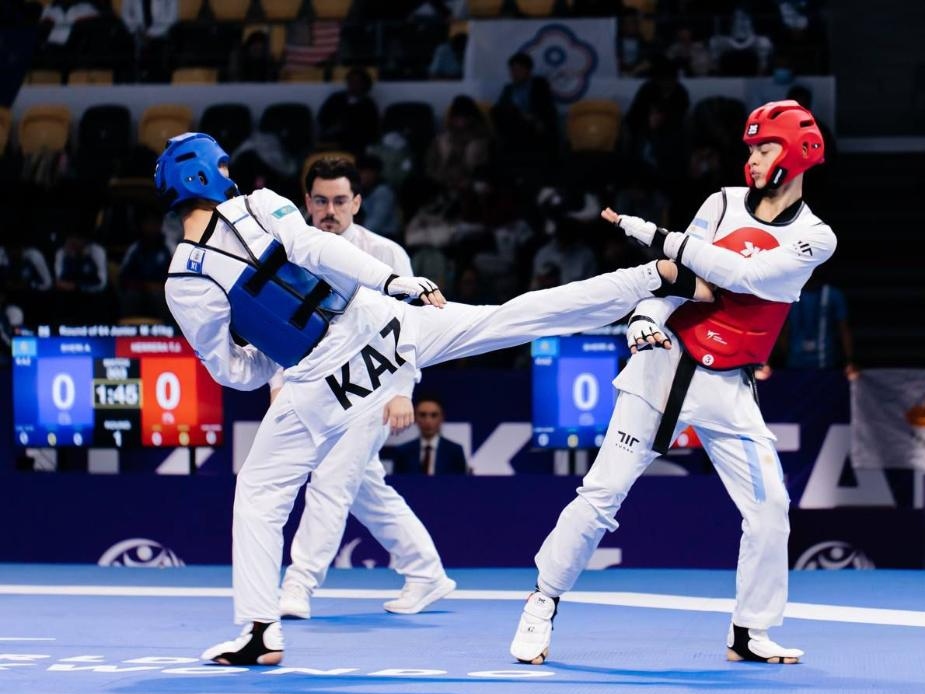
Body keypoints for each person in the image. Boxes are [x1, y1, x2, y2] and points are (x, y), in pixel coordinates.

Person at [157, 132, 712, 666]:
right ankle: (647, 278)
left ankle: (260, 630)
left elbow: (230, 370)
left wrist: (275, 354)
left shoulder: (183, 278)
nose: (229, 174)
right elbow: (317, 248)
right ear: (203, 175)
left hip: (320, 380)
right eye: (221, 165)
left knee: (260, 493)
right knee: (513, 318)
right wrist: (392, 282)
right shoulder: (260, 204)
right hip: (383, 325)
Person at [509, 100, 836, 666]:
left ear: (799, 152)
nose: (754, 160)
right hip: (663, 366)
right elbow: (684, 280)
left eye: (765, 148)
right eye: (751, 149)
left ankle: (749, 631)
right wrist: (644, 316)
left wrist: (660, 236)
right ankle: (542, 600)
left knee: (770, 507)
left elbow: (743, 276)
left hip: (728, 385)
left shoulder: (816, 237)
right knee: (602, 495)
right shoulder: (721, 203)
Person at [276, 158, 454, 621]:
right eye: (320, 201)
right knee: (365, 488)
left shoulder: (386, 254)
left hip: (374, 387)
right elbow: (280, 326)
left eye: (340, 201)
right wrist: (278, 386)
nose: (329, 211)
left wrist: (403, 390)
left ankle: (298, 586)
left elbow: (412, 324)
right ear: (306, 202)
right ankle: (426, 572)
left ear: (357, 202)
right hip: (317, 390)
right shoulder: (293, 255)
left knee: (331, 480)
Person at [392, 395, 468, 475]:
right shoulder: (403, 452)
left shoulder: (455, 451)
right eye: (422, 415)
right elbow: (397, 481)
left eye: (434, 415)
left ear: (442, 418)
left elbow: (460, 481)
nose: (428, 421)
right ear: (415, 417)